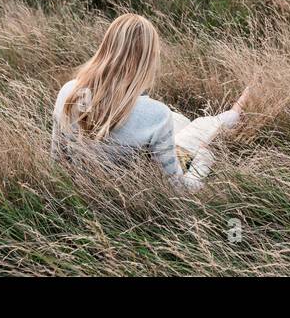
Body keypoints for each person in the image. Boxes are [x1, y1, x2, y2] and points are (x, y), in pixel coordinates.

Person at [51, 12, 248, 190]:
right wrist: (203, 159)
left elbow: (57, 161)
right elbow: (178, 190)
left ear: (106, 47)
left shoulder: (68, 91)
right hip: (132, 195)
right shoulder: (155, 115)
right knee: (204, 125)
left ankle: (240, 104)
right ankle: (246, 99)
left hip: (81, 190)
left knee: (178, 120)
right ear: (148, 58)